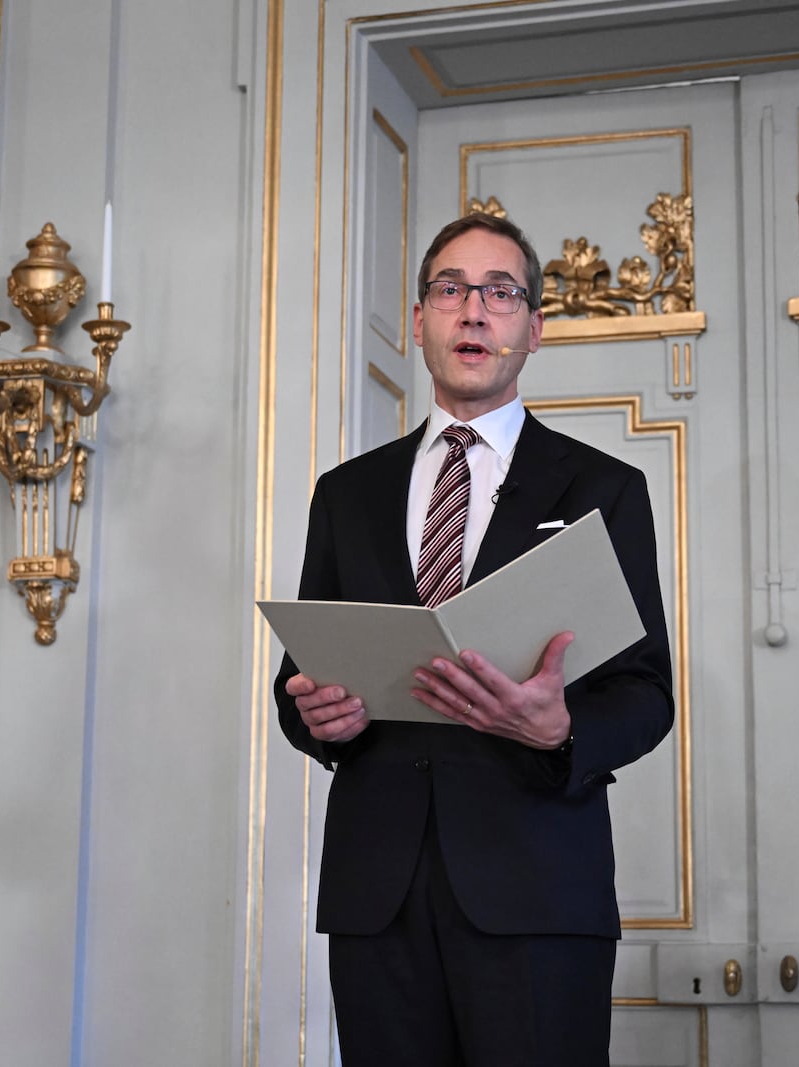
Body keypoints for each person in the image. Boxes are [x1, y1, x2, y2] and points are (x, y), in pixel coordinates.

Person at [274, 212, 674, 1066]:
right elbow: (300, 679)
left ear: (535, 328)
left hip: (536, 885)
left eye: (502, 293)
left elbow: (646, 693)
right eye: (451, 289)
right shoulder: (345, 494)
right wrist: (315, 714)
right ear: (419, 319)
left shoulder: (605, 488)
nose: (475, 312)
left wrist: (561, 728)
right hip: (376, 892)